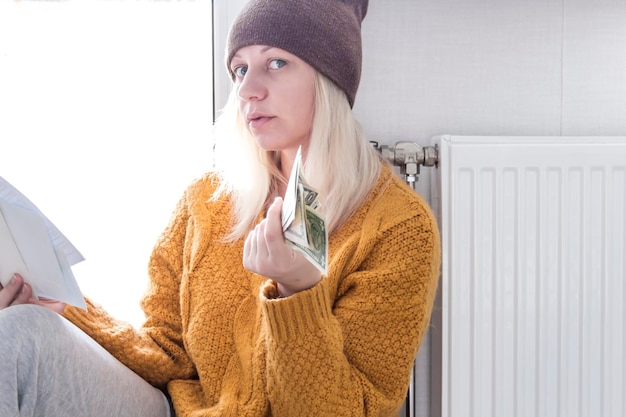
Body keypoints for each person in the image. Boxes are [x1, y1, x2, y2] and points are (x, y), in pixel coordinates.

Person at [0, 0, 441, 415]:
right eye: (239, 69)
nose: (248, 90)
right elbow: (165, 353)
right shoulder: (206, 202)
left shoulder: (398, 227)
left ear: (330, 79)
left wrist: (298, 293)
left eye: (276, 63)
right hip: (175, 409)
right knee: (22, 334)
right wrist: (61, 305)